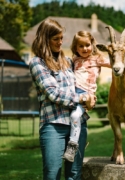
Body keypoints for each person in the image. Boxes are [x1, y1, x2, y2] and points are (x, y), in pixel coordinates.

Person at [29, 19, 96, 180]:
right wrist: (82, 98)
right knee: (53, 174)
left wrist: (91, 97)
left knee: (74, 174)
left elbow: (85, 76)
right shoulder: (37, 63)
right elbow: (53, 93)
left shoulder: (68, 62)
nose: (60, 42)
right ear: (45, 40)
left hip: (77, 124)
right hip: (53, 124)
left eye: (61, 38)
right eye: (55, 39)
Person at [63, 31, 111, 162]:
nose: (85, 49)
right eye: (81, 46)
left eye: (87, 45)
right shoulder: (74, 60)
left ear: (92, 45)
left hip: (86, 96)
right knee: (72, 119)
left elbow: (114, 64)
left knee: (74, 116)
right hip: (73, 95)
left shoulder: (97, 59)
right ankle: (77, 141)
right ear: (75, 47)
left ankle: (72, 147)